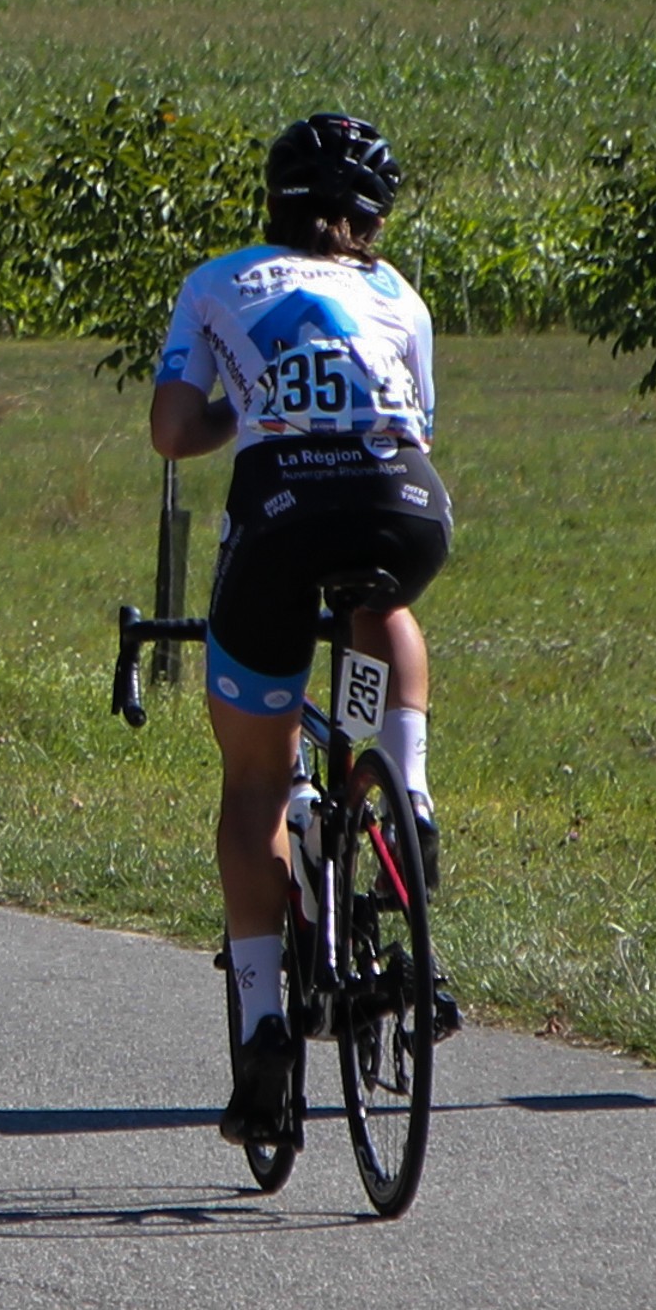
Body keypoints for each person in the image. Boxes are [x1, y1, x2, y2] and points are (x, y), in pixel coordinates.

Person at [150, 111, 452, 1145]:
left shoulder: (215, 280)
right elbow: (411, 421)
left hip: (280, 517)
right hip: (403, 507)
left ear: (271, 203)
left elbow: (172, 431)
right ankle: (406, 791)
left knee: (255, 786)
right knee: (381, 606)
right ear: (371, 216)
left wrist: (248, 405)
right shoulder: (399, 294)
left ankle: (267, 1019)